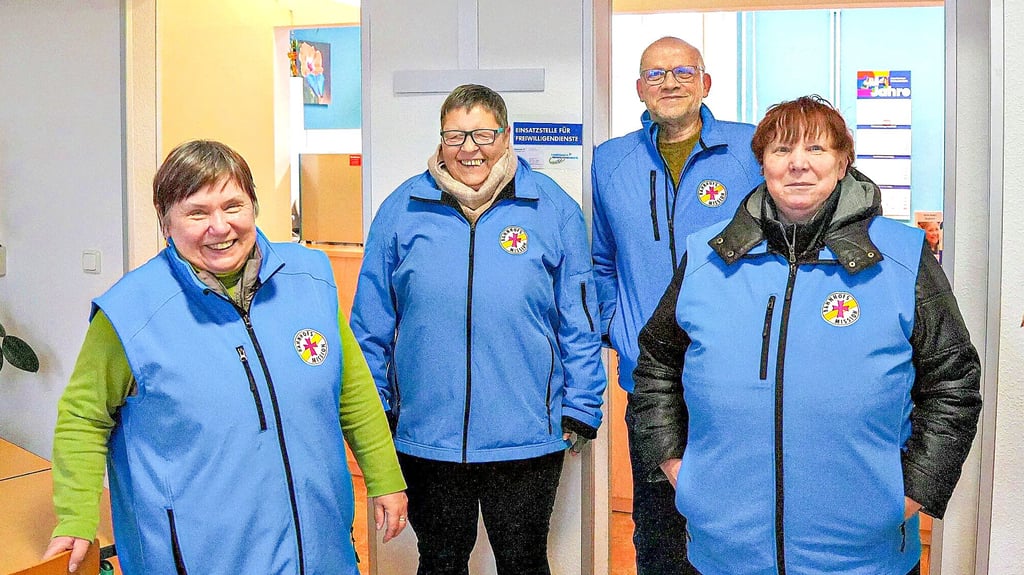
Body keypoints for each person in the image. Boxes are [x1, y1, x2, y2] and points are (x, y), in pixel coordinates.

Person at [630, 96, 982, 575]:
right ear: (763, 165)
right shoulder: (706, 257)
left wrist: (913, 490)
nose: (798, 163)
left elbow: (953, 382)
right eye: (780, 150)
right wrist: (676, 468)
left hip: (862, 556)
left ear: (842, 163)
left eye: (816, 148)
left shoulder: (902, 258)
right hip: (725, 553)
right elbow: (657, 362)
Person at [45, 140, 408, 574]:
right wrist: (76, 516)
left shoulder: (310, 277)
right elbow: (84, 417)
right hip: (201, 558)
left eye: (233, 206)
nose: (220, 227)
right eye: (197, 212)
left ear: (253, 206)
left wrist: (385, 476)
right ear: (166, 223)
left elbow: (350, 387)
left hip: (320, 548)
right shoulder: (130, 314)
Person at [351, 84, 606, 575]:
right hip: (428, 436)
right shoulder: (401, 210)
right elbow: (370, 325)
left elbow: (580, 320)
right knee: (441, 562)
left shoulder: (551, 208)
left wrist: (582, 405)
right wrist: (376, 409)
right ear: (441, 140)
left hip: (527, 436)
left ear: (507, 136)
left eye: (483, 134)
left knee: (524, 561)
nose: (470, 148)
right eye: (456, 135)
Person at [590, 36, 762, 574]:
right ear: (639, 88)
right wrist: (617, 329)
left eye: (683, 72)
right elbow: (601, 262)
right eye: (655, 74)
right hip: (650, 382)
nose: (669, 83)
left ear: (705, 83)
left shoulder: (751, 149)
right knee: (659, 526)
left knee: (736, 518)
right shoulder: (609, 161)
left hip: (734, 374)